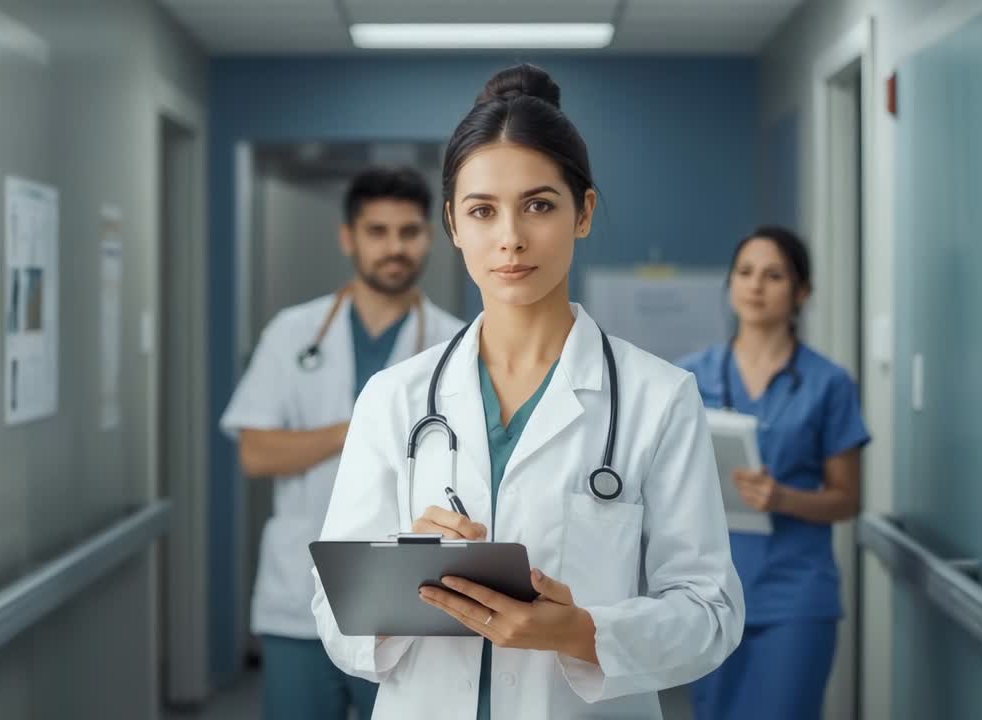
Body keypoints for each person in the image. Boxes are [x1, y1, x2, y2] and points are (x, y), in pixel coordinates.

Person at [311, 64, 744, 720]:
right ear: (453, 224)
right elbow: (333, 615)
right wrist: (403, 571)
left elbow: (711, 614)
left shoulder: (660, 398)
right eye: (482, 210)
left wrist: (577, 631)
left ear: (584, 213)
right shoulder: (394, 398)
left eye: (539, 205)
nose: (510, 236)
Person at [220, 166, 464, 720]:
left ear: (431, 236)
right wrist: (361, 424)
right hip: (298, 594)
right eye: (377, 231)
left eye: (409, 232)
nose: (395, 248)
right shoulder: (293, 333)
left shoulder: (456, 344)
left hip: (409, 595)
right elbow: (256, 452)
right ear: (348, 238)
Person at [676, 226, 871, 720]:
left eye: (773, 275)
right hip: (709, 592)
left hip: (795, 597)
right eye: (744, 273)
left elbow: (847, 498)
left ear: (801, 292)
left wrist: (782, 498)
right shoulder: (686, 378)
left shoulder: (829, 384)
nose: (755, 286)